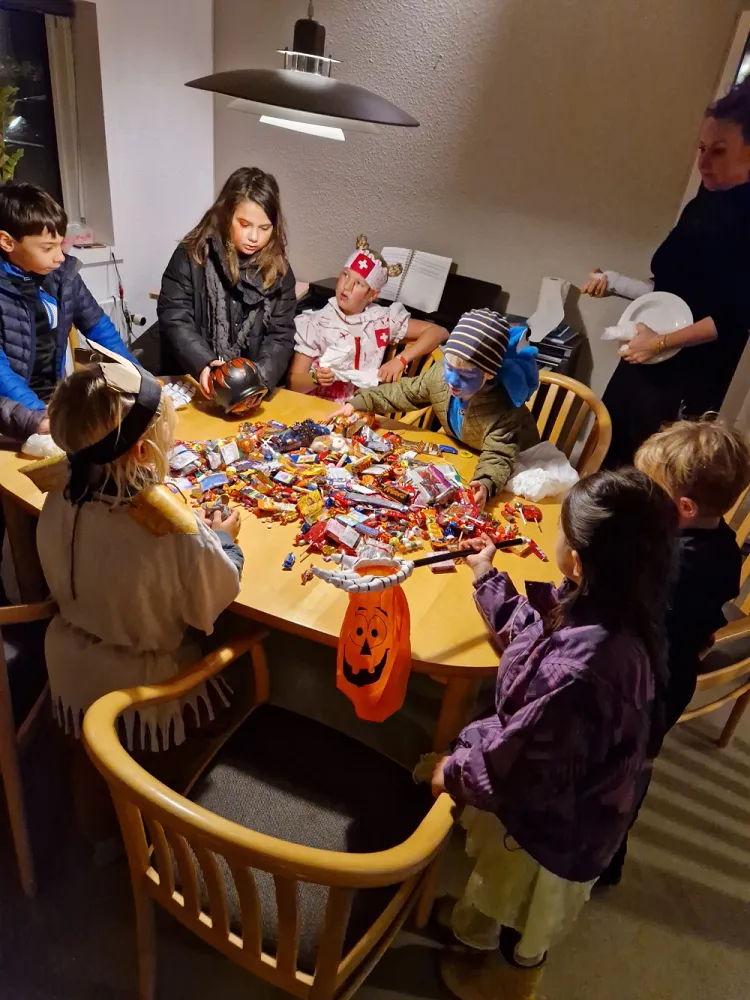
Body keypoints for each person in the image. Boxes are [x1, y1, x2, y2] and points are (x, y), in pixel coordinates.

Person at [429, 469, 678, 1000]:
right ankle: (478, 931)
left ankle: (511, 980)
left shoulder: (585, 668)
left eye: (561, 529)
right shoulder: (613, 603)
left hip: (557, 829)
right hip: (562, 805)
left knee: (525, 915)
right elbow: (537, 639)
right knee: (501, 892)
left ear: (578, 560)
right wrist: (487, 578)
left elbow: (521, 769)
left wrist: (454, 770)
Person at [34, 344, 244, 835]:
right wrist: (225, 540)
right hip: (145, 687)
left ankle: (97, 835)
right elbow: (212, 599)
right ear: (142, 451)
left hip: (67, 665)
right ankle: (159, 833)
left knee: (89, 759)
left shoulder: (60, 491)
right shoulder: (168, 526)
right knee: (233, 690)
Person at [599, 418, 750, 886]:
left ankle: (596, 855)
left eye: (650, 489)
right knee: (634, 767)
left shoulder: (670, 564)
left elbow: (618, 613)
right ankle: (610, 856)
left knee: (614, 767)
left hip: (641, 687)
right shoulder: (724, 545)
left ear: (683, 507)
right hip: (674, 674)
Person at [582, 80, 750, 467]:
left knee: (650, 473)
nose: (703, 162)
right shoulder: (704, 201)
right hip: (647, 359)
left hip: (687, 378)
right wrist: (615, 283)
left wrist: (659, 343)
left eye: (719, 151)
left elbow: (732, 319)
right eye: (701, 148)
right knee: (604, 453)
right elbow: (672, 289)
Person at [332, 308, 540, 506]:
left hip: (521, 470)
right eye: (450, 367)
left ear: (489, 374)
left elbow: (499, 456)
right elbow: (404, 392)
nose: (453, 381)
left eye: (466, 375)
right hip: (465, 454)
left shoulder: (504, 408)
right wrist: (358, 403)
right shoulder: (439, 376)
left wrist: (485, 483)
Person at [0, 182, 136, 438]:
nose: (60, 257)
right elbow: (1, 373)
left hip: (51, 398)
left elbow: (99, 327)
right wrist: (36, 413)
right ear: (7, 242)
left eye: (60, 245)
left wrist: (138, 376)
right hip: (10, 409)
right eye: (47, 248)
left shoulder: (63, 276)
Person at [157, 167, 296, 398]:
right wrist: (204, 363)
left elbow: (281, 335)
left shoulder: (279, 270)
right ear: (226, 215)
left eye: (264, 228)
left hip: (253, 392)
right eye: (244, 224)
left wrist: (259, 380)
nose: (254, 237)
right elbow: (175, 317)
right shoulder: (193, 255)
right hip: (196, 384)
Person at [288, 235, 448, 402]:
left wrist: (401, 360)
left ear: (372, 295)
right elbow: (293, 385)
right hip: (319, 407)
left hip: (361, 408)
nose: (347, 286)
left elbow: (438, 332)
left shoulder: (381, 320)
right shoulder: (317, 323)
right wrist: (315, 378)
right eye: (345, 275)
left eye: (359, 283)